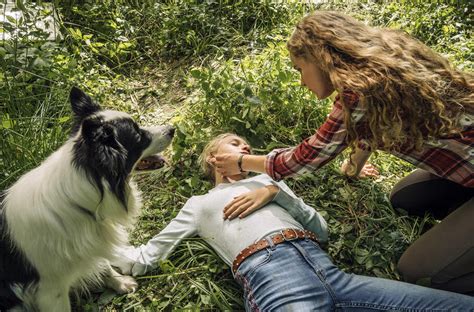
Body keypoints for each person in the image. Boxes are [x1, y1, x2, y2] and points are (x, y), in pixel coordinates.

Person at [209, 11, 474, 294]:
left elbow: (307, 157)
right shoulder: (382, 66)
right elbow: (368, 128)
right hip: (465, 162)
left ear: (321, 58)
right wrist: (353, 168)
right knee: (404, 198)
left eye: (300, 69)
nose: (301, 81)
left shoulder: (357, 93)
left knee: (417, 272)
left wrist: (241, 161)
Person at [114, 133, 474, 311]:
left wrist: (275, 193)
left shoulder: (272, 183)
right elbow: (144, 258)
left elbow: (322, 231)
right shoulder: (199, 203)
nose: (244, 149)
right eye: (236, 143)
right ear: (212, 157)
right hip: (275, 281)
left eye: (246, 145)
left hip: (334, 275)